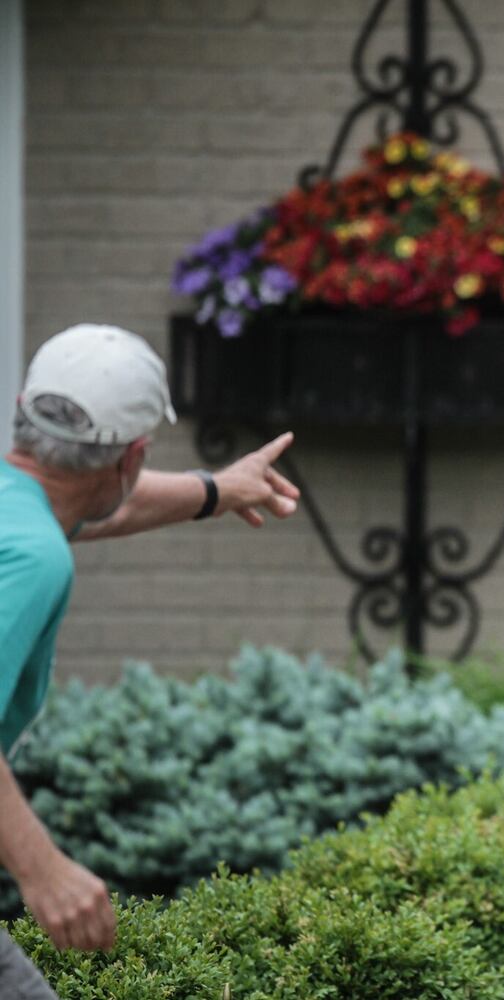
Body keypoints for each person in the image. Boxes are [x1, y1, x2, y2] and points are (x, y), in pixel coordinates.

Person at [0, 323, 300, 998]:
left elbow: (97, 506)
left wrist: (218, 491)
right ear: (132, 452)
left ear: (25, 410)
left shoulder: (16, 508)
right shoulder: (32, 555)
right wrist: (44, 870)